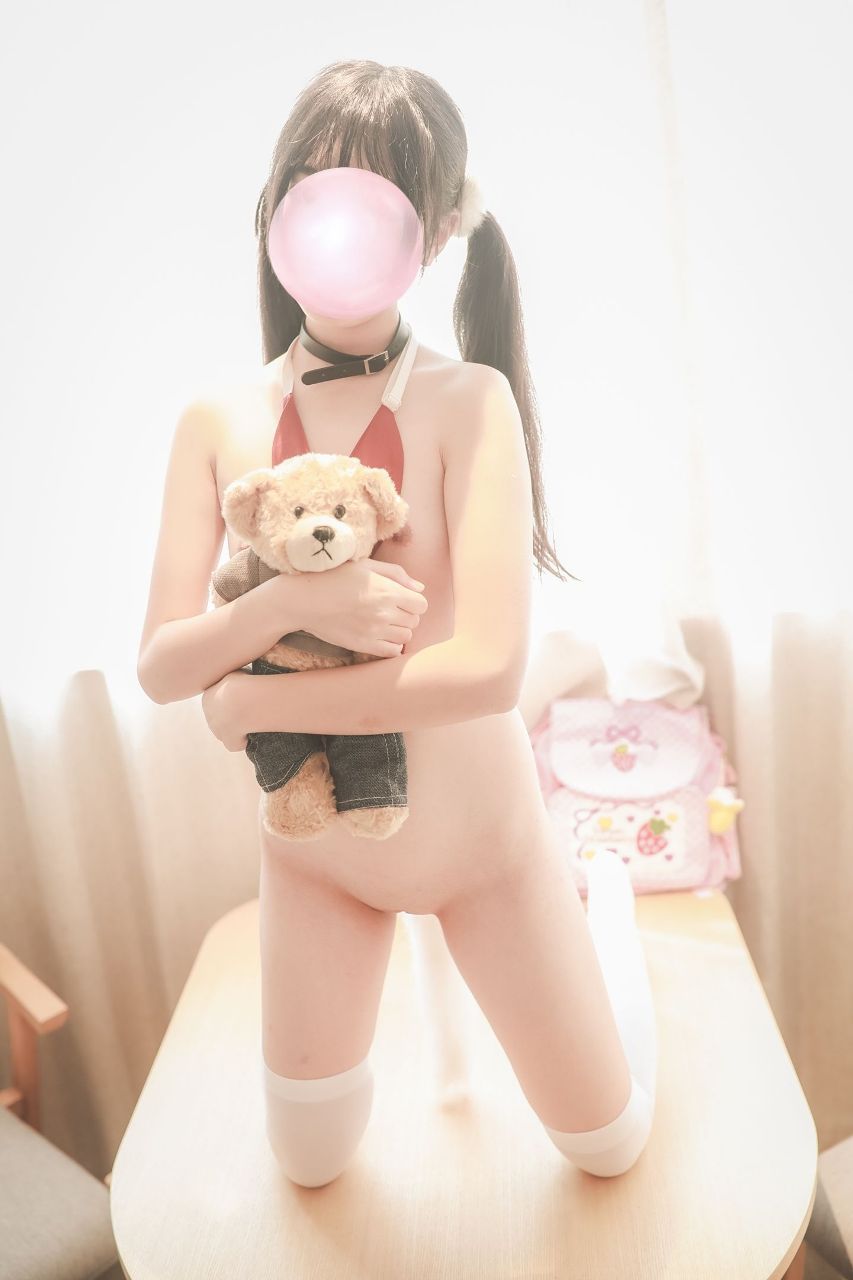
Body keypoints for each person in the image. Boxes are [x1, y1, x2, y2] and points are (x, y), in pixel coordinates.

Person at [136, 58, 657, 1189]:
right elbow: (163, 666)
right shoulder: (215, 418)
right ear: (275, 210)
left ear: (443, 226)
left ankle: (610, 933)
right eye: (313, 187)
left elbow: (487, 672)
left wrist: (248, 698)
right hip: (315, 858)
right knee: (310, 1162)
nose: (339, 223)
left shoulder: (469, 402)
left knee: (608, 1148)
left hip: (484, 851)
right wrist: (292, 602)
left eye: (378, 197)